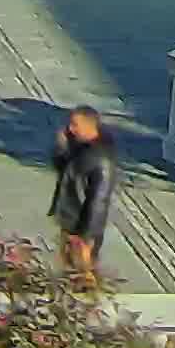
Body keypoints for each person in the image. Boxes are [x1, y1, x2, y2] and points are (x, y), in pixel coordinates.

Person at [49, 105, 118, 281]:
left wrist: (86, 236)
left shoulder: (102, 158)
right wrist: (62, 147)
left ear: (89, 126)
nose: (70, 129)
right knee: (69, 274)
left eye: (75, 125)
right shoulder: (80, 147)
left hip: (82, 228)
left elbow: (99, 200)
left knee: (83, 277)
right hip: (70, 222)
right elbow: (62, 168)